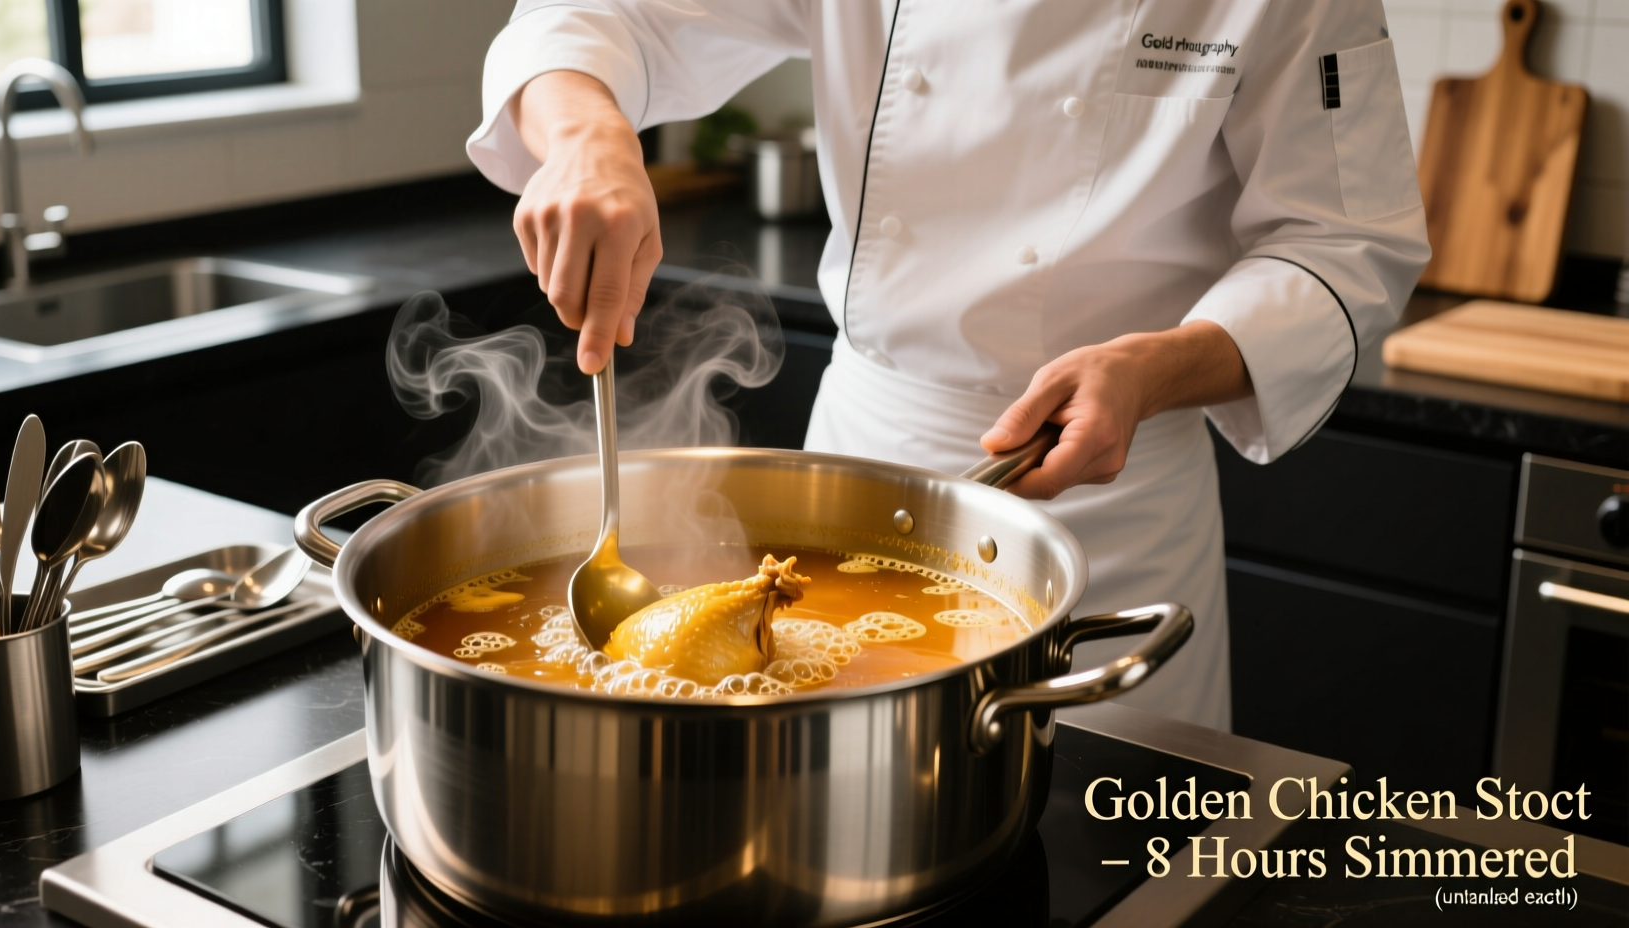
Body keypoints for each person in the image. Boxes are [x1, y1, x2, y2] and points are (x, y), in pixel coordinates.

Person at [465, 1, 1430, 730]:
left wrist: (1156, 367)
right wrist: (590, 140)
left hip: (1104, 499)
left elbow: (1346, 245)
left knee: (1111, 869)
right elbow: (589, 20)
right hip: (862, 458)